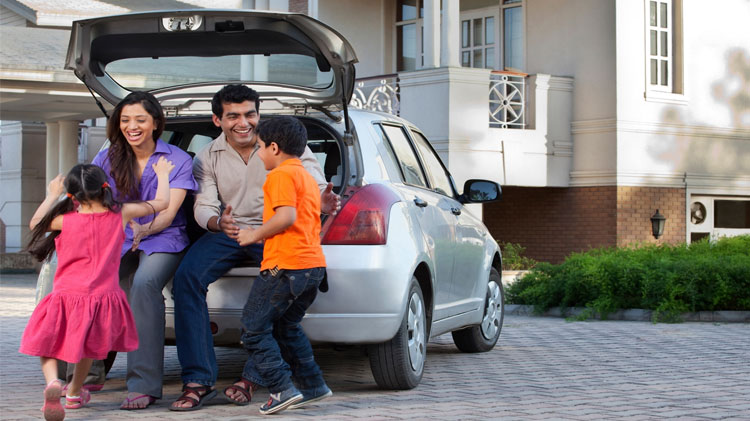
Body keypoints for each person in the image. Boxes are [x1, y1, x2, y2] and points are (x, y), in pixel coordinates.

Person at [169, 84, 339, 411]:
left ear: (258, 114)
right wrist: (220, 223)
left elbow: (314, 188)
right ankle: (198, 380)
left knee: (275, 299)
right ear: (217, 120)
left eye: (250, 114)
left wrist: (325, 201)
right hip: (230, 231)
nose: (243, 122)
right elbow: (203, 205)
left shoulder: (287, 148)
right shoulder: (207, 156)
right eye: (233, 116)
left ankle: (252, 378)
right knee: (186, 278)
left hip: (275, 232)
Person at [20, 159, 174, 421]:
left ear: (72, 195)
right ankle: (74, 394)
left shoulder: (65, 221)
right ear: (105, 187)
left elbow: (36, 223)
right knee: (88, 349)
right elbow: (161, 204)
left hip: (66, 294)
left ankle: (53, 383)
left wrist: (52, 195)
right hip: (102, 297)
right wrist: (162, 175)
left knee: (48, 342)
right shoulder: (120, 214)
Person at [92, 91, 198, 410]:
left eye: (140, 119)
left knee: (144, 284)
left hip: (165, 237)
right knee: (95, 284)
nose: (132, 126)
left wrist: (143, 229)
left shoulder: (177, 159)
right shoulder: (108, 158)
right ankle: (86, 372)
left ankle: (144, 384)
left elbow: (168, 212)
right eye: (125, 120)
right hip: (118, 236)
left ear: (155, 123)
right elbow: (93, 201)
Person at [236, 116, 331, 415]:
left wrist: (253, 234)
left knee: (253, 329)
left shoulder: (279, 175)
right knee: (287, 327)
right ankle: (313, 386)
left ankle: (281, 388)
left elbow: (286, 217)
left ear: (274, 148)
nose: (258, 153)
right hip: (312, 267)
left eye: (260, 147)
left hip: (284, 267)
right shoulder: (305, 176)